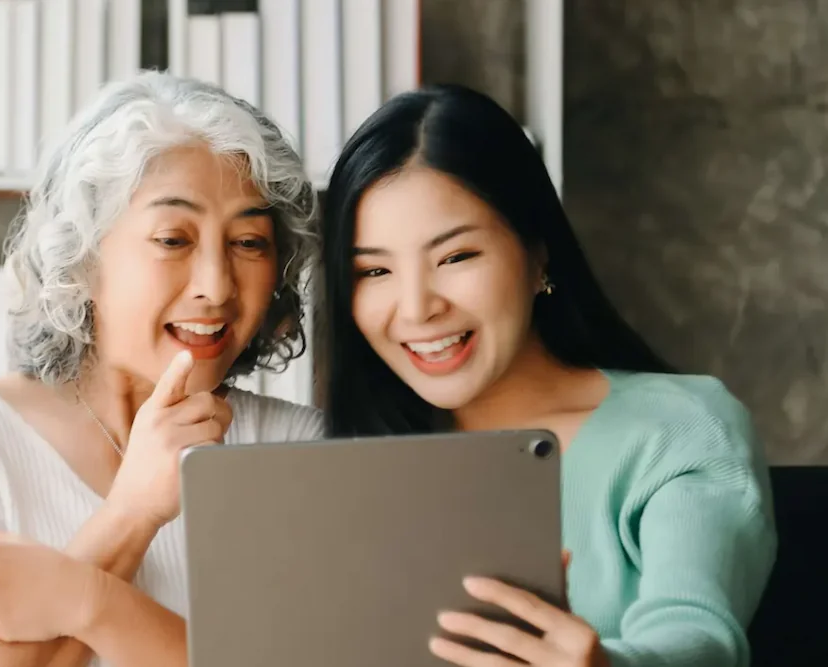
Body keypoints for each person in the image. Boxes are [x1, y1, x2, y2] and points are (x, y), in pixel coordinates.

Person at [0, 71, 324, 667]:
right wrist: (132, 512)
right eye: (173, 239)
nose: (216, 286)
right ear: (82, 258)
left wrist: (84, 599)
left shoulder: (301, 452)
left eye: (250, 242)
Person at [318, 83, 778, 667]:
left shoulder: (677, 430)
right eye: (374, 271)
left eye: (455, 257)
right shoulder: (342, 462)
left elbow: (699, 633)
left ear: (538, 252)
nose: (415, 309)